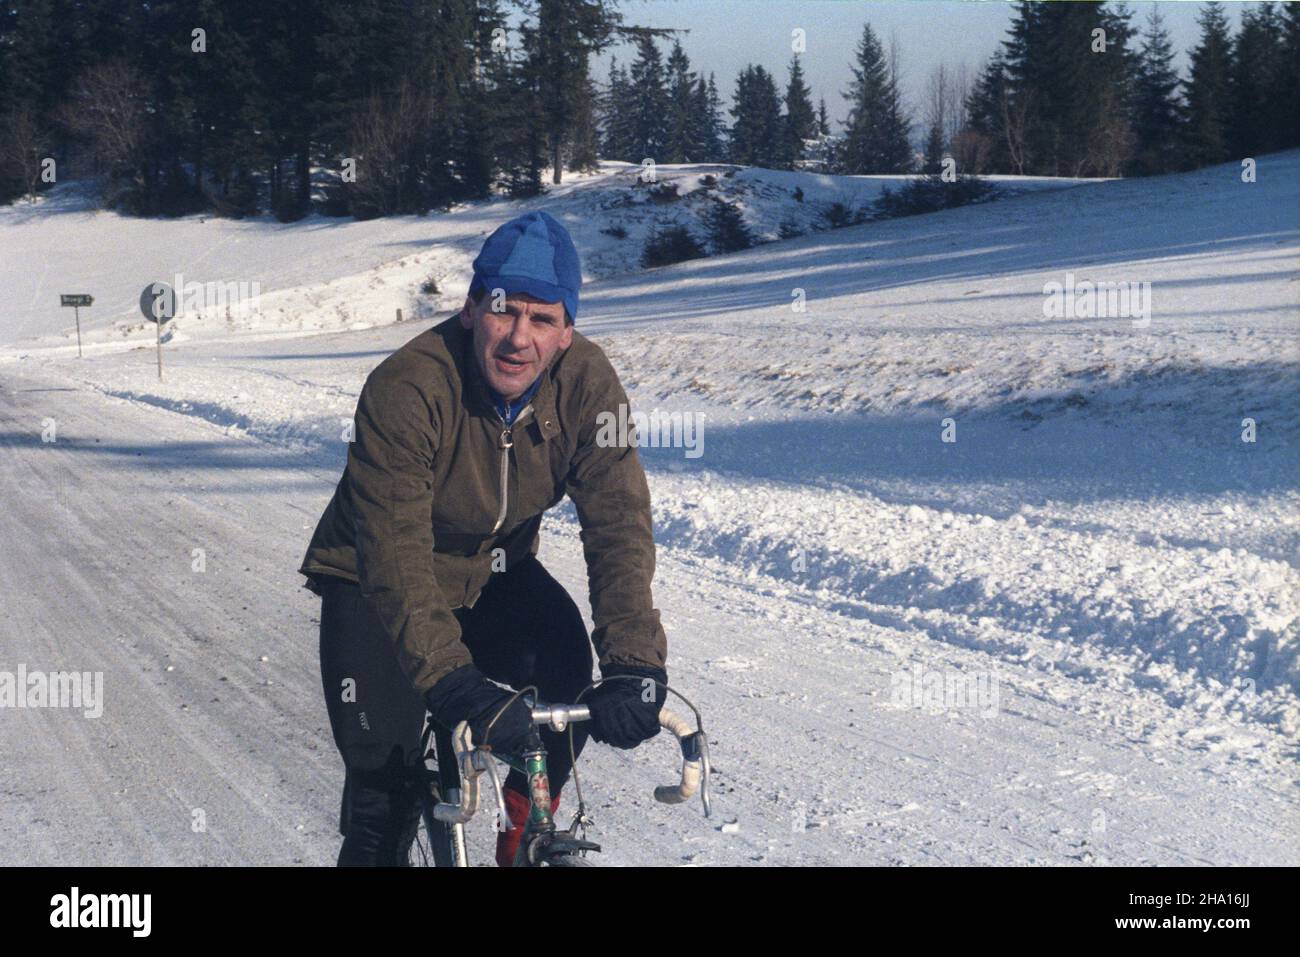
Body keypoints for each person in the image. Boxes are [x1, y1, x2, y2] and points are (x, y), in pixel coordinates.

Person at [298, 210, 669, 866]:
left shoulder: (588, 386)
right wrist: (451, 681)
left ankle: (527, 828)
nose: (518, 337)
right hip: (374, 579)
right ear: (471, 310)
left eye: (542, 318)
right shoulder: (407, 387)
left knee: (561, 665)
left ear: (566, 331)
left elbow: (618, 521)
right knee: (384, 792)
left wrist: (635, 660)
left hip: (494, 569)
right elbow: (396, 551)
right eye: (503, 310)